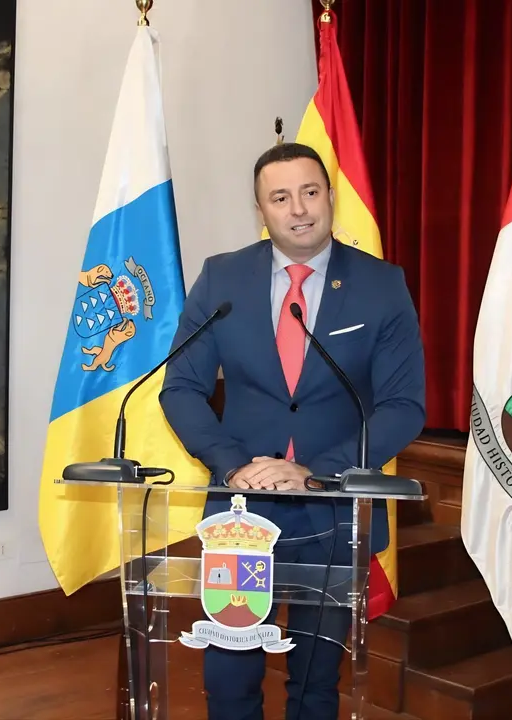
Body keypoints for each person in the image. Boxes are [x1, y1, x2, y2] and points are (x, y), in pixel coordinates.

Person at [159, 142, 426, 720]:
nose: (299, 209)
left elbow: (404, 406)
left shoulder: (382, 285)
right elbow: (180, 387)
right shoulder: (222, 278)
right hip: (238, 511)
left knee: (315, 682)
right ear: (261, 209)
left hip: (333, 512)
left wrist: (317, 471)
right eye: (280, 197)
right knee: (230, 675)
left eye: (310, 192)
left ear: (330, 197)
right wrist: (235, 465)